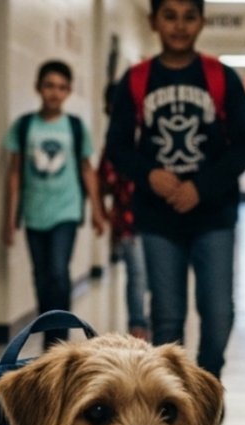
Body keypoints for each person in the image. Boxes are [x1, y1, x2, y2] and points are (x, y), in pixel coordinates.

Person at [105, 0, 245, 379]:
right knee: (167, 317)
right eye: (169, 16)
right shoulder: (137, 79)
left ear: (202, 22)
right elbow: (117, 145)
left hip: (214, 216)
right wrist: (149, 174)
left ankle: (206, 385)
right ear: (154, 21)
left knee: (218, 312)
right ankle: (171, 401)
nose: (179, 25)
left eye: (189, 17)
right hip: (158, 219)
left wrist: (201, 187)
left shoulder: (220, 77)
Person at [3, 60, 107, 349]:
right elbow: (14, 173)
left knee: (59, 272)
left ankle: (57, 339)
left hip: (67, 210)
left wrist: (97, 211)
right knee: (41, 275)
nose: (54, 93)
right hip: (35, 212)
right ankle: (48, 326)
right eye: (49, 86)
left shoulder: (74, 127)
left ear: (69, 91)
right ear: (38, 87)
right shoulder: (24, 126)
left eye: (61, 87)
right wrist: (9, 218)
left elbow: (87, 169)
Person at [99, 83, 149, 340]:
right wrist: (102, 213)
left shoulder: (152, 140)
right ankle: (138, 327)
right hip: (129, 222)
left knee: (153, 278)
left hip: (158, 222)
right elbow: (103, 181)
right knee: (137, 274)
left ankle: (155, 324)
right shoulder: (114, 147)